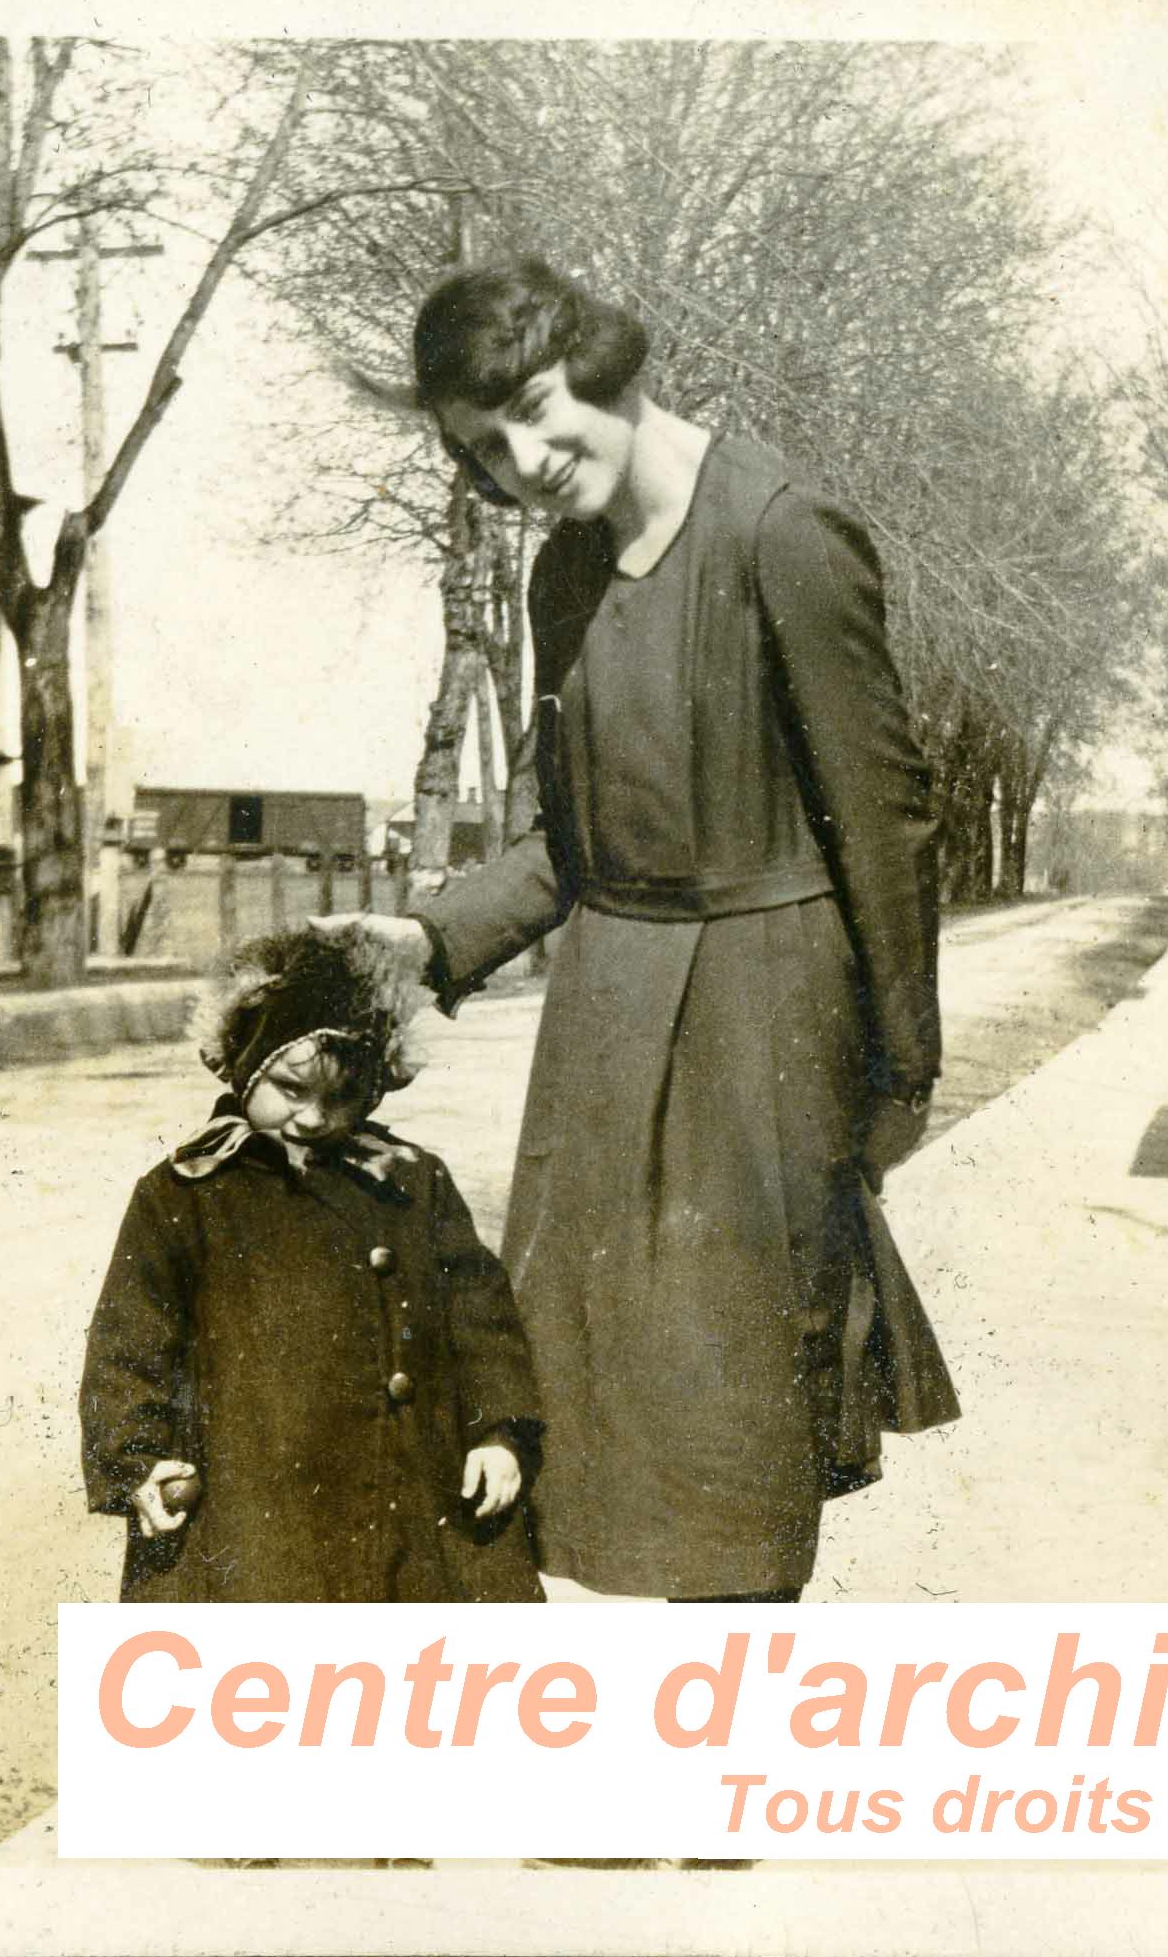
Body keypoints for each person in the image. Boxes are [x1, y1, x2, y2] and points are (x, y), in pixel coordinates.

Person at [324, 256, 960, 1604]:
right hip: (605, 1024)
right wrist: (429, 939)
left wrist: (898, 1067)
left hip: (763, 1025)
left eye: (536, 410)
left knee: (734, 1410)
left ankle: (714, 1796)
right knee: (579, 1395)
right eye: (482, 448)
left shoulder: (781, 535)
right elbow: (571, 834)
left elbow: (884, 822)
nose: (521, 459)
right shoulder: (563, 578)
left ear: (605, 365)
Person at [76, 922, 543, 1603]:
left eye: (341, 1096)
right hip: (251, 1514)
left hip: (409, 1494)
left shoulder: (410, 1181)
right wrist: (138, 1460)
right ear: (246, 1066)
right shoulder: (186, 1191)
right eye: (291, 1090)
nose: (312, 1118)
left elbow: (482, 1320)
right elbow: (130, 1342)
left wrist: (499, 1433)